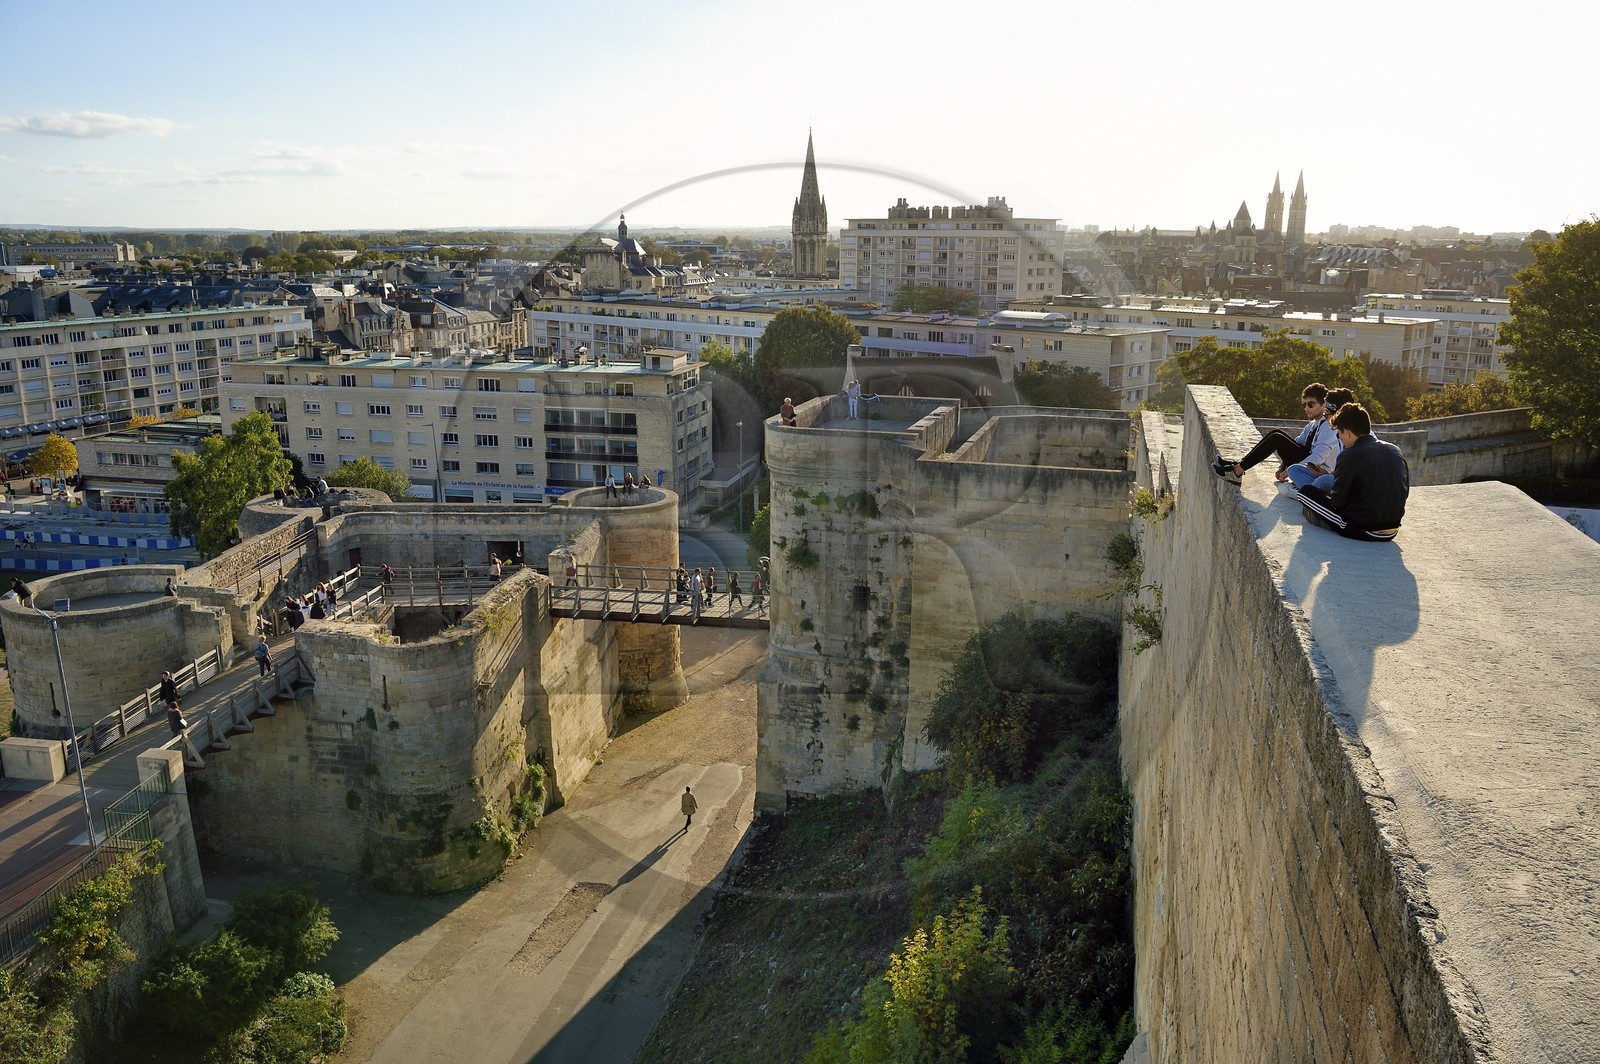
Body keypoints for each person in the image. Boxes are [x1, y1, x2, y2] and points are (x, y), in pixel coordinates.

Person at [1293, 403, 1409, 542]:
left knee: (1306, 493)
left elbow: (1337, 503)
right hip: (1393, 528)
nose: (1339, 438)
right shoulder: (1394, 449)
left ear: (1346, 432)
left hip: (1364, 528)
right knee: (1327, 482)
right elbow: (1405, 491)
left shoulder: (1349, 455)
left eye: (1339, 433)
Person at [1212, 383, 1332, 485]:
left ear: (1323, 404)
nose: (1306, 408)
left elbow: (1318, 457)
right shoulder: (1313, 424)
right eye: (1304, 404)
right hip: (1306, 463)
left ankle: (1236, 472)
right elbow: (1296, 444)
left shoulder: (1329, 426)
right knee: (1277, 433)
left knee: (1277, 438)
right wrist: (1282, 467)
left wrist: (1290, 471)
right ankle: (1238, 465)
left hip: (1317, 474)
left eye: (1310, 404)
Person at [1285, 386, 1354, 491]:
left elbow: (1355, 475)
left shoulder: (1352, 432)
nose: (1324, 414)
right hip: (1336, 478)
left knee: (1323, 481)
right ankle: (1311, 494)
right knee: (1294, 470)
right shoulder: (1339, 431)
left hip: (1353, 489)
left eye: (1327, 410)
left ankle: (1310, 495)